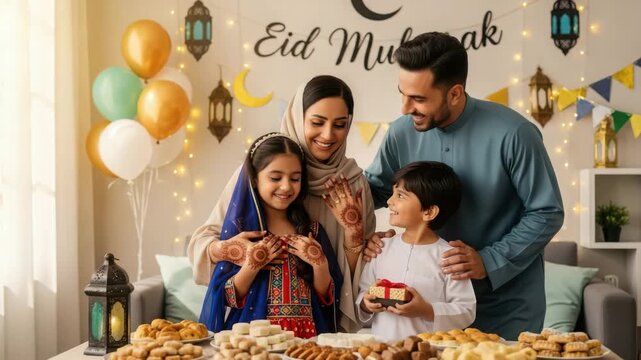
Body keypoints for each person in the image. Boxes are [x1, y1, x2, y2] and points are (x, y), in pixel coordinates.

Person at [364, 32, 564, 340]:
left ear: (455, 93)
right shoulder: (401, 132)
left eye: (418, 99)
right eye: (402, 94)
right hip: (424, 311)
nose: (405, 108)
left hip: (503, 308)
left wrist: (490, 260)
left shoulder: (515, 134)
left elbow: (546, 211)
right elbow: (377, 190)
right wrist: (365, 236)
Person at [189, 75, 376, 332]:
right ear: (298, 119)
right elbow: (206, 244)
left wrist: (355, 237)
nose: (328, 134)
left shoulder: (353, 184)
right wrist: (232, 251)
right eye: (317, 122)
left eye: (340, 124)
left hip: (323, 330)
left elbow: (360, 277)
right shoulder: (257, 169)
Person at [198, 133, 343, 338]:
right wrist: (251, 266)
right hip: (255, 339)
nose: (286, 186)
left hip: (306, 339)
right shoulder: (243, 235)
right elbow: (227, 296)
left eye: (295, 178)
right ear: (255, 179)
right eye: (275, 178)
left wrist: (319, 264)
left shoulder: (312, 231)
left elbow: (326, 296)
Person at [357, 161, 476, 342]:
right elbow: (363, 293)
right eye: (393, 193)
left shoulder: (450, 257)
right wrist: (366, 304)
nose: (389, 201)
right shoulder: (381, 248)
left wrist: (426, 310)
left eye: (401, 195)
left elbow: (466, 310)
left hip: (428, 353)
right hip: (381, 351)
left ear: (428, 212)